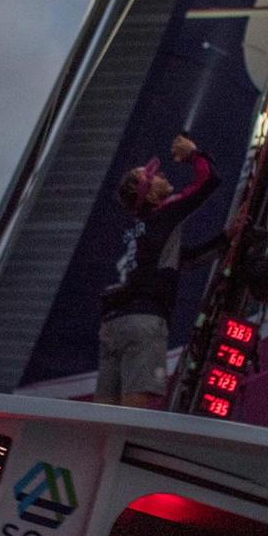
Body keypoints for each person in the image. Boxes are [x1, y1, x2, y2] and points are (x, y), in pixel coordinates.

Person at [96, 134, 223, 407]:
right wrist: (193, 154)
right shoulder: (164, 213)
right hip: (144, 321)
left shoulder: (139, 229)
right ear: (151, 194)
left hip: (114, 323)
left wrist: (225, 239)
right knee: (132, 414)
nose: (162, 173)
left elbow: (183, 260)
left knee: (102, 413)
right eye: (154, 176)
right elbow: (208, 181)